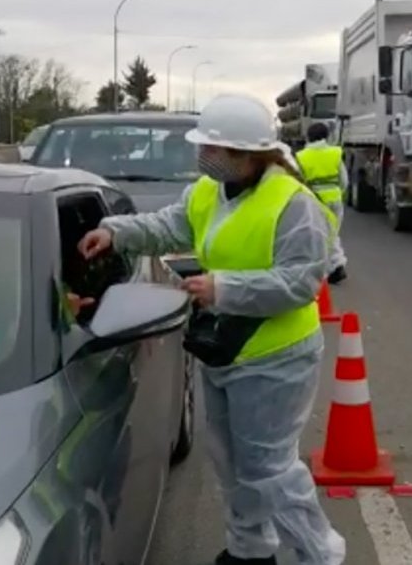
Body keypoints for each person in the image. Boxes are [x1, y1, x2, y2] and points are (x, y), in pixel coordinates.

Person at [77, 94, 346, 565]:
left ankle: (318, 554)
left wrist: (223, 288)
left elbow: (302, 281)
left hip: (276, 356)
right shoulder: (207, 191)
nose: (203, 158)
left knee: (269, 468)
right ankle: (250, 549)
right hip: (224, 349)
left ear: (247, 154)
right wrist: (116, 232)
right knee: (230, 463)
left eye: (212, 150)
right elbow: (168, 226)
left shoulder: (293, 204)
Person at [295, 122, 348, 283]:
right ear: (326, 136)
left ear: (309, 137)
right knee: (332, 232)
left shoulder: (302, 156)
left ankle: (332, 268)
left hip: (315, 200)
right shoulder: (335, 153)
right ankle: (336, 266)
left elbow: (299, 181)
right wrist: (339, 193)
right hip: (335, 198)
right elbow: (344, 180)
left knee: (321, 235)